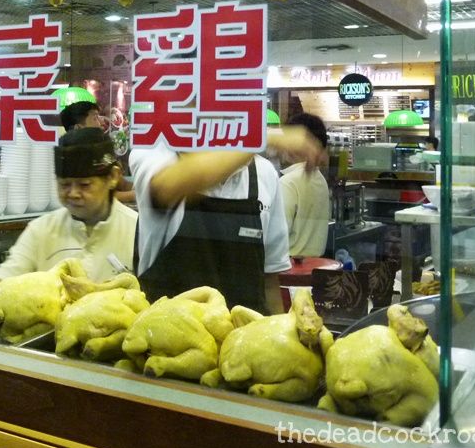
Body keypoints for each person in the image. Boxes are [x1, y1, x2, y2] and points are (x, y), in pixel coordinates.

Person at [129, 126, 323, 314]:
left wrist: (281, 336)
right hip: (168, 340)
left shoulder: (264, 174)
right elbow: (167, 188)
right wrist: (262, 137)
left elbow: (269, 282)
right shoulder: (155, 153)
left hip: (244, 340)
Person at [0, 128, 137, 290]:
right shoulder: (41, 230)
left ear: (112, 177)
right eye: (64, 184)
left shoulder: (137, 231)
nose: (73, 193)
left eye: (84, 185)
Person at [60, 100, 135, 203]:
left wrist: (140, 188)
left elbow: (122, 184)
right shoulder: (71, 158)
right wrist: (137, 195)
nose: (101, 124)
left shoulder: (103, 153)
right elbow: (100, 196)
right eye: (95, 119)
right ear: (78, 128)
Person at [279, 113, 331, 258]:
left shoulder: (288, 182)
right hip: (314, 267)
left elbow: (277, 235)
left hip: (289, 269)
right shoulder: (319, 178)